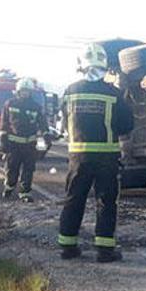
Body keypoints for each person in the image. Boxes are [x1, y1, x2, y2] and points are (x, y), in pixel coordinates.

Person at [57, 43, 133, 262]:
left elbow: (64, 120)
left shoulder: (70, 91)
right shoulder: (114, 93)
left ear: (81, 65)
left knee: (74, 199)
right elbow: (127, 125)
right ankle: (104, 250)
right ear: (104, 66)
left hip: (78, 157)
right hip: (106, 157)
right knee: (106, 202)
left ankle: (68, 247)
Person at [0, 77, 49, 202]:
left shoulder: (36, 107)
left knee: (29, 169)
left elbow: (43, 124)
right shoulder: (10, 104)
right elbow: (4, 123)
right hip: (13, 144)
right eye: (23, 91)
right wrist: (3, 140)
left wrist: (47, 137)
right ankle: (9, 185)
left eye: (27, 91)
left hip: (29, 144)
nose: (25, 93)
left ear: (30, 92)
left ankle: (25, 192)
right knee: (12, 169)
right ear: (18, 91)